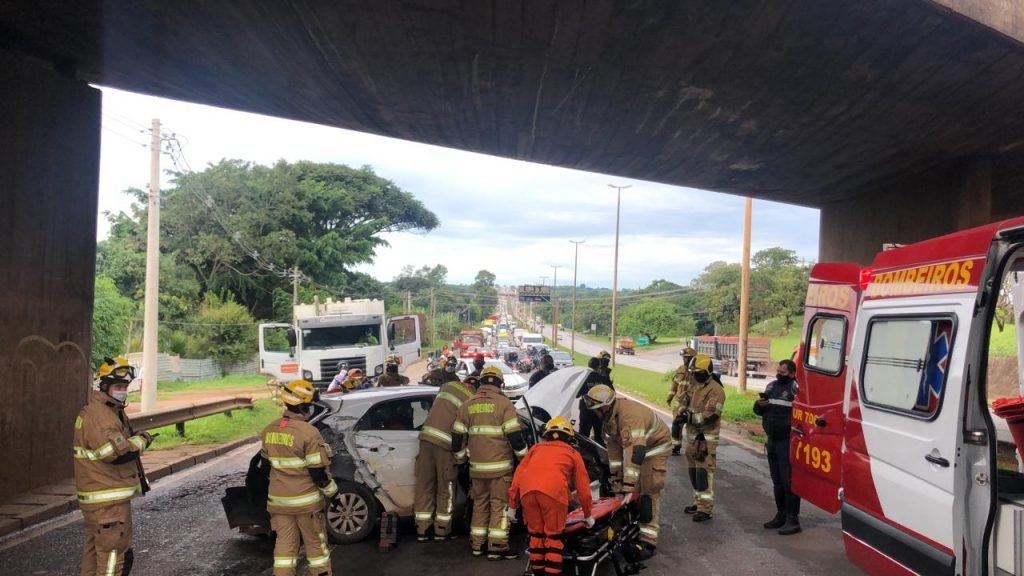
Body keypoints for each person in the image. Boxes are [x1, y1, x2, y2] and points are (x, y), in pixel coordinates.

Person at [75, 356, 153, 576]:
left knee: (95, 552)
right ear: (104, 386)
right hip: (108, 501)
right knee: (113, 557)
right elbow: (115, 453)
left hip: (98, 498)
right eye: (119, 386)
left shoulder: (103, 410)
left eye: (126, 386)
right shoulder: (102, 416)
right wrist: (142, 440)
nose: (123, 391)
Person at [583, 384, 671, 556]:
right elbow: (614, 455)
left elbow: (635, 452)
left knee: (648, 489)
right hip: (639, 450)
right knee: (632, 488)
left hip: (655, 448)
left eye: (596, 409)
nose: (594, 413)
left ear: (606, 406)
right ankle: (636, 523)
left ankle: (648, 540)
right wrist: (618, 483)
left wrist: (629, 486)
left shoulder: (630, 416)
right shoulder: (608, 422)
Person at [260, 380, 336, 576]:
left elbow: (265, 468)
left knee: (284, 549)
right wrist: (333, 493)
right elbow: (317, 473)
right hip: (306, 504)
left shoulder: (269, 430)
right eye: (309, 405)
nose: (310, 409)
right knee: (316, 548)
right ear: (303, 405)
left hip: (279, 503)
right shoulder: (309, 433)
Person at [452, 366, 528, 560]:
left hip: (477, 470)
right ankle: (497, 546)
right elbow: (515, 437)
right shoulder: (504, 405)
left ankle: (477, 545)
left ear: (481, 382)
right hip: (500, 469)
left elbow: (456, 438)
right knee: (500, 507)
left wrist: (461, 460)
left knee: (479, 505)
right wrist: (525, 460)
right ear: (500, 384)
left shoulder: (467, 405)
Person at [508, 416, 594, 576]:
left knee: (536, 534)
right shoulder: (573, 453)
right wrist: (588, 515)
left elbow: (517, 478)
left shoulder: (535, 449)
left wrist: (512, 506)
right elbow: (583, 489)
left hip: (527, 493)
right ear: (569, 437)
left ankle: (538, 572)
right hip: (553, 494)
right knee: (554, 537)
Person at [414, 373, 476, 541]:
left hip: (425, 439)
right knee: (445, 489)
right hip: (445, 445)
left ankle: (422, 530)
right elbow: (465, 431)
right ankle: (442, 530)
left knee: (424, 485)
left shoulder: (448, 386)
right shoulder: (472, 399)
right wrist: (462, 459)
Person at [754, 359, 802, 535]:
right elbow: (760, 411)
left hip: (787, 441)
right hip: (772, 439)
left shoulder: (796, 389)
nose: (778, 374)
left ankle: (793, 520)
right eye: (778, 371)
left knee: (789, 482)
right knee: (777, 482)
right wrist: (759, 406)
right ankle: (780, 515)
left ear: (792, 373)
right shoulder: (771, 387)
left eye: (783, 372)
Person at [679, 354, 726, 522]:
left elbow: (711, 415)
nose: (694, 375)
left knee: (704, 473)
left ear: (707, 371)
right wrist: (682, 410)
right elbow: (685, 400)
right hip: (692, 437)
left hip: (705, 438)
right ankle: (698, 502)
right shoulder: (695, 385)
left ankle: (705, 509)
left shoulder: (716, 390)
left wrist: (689, 418)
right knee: (693, 472)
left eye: (697, 372)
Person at [667, 347, 697, 455]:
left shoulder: (698, 371)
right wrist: (669, 397)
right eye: (684, 358)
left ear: (693, 358)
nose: (685, 360)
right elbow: (674, 385)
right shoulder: (680, 370)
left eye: (687, 358)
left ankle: (694, 449)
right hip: (679, 404)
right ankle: (675, 447)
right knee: (676, 425)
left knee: (693, 427)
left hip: (693, 404)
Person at [577, 365, 611, 446]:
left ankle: (583, 455)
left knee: (583, 435)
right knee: (599, 436)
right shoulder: (604, 379)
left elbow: (577, 395)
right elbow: (612, 393)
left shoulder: (584, 379)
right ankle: (600, 456)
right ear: (598, 367)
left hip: (586, 410)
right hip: (600, 411)